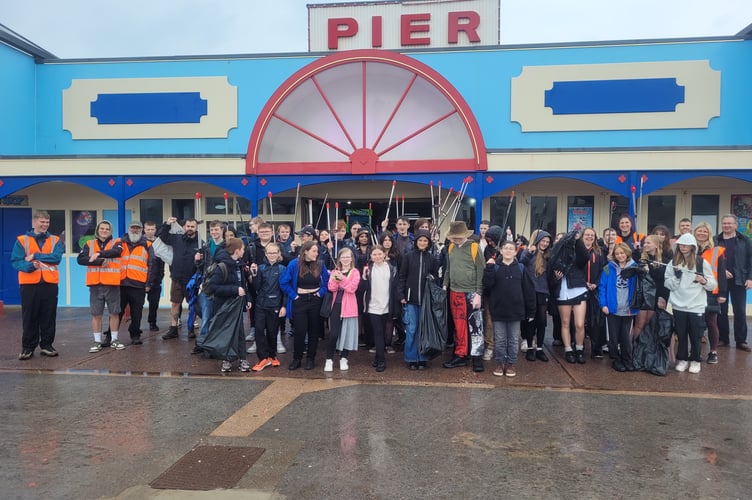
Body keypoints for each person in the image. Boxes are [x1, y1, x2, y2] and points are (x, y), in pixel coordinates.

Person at [12, 210, 65, 360]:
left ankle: (47, 345)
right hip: (29, 284)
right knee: (30, 316)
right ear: (34, 222)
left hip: (49, 283)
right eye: (42, 222)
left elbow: (56, 258)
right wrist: (30, 266)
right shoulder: (22, 240)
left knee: (48, 316)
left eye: (47, 222)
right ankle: (28, 347)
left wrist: (35, 256)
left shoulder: (55, 240)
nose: (45, 225)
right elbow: (16, 261)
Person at [665, 233, 716, 373]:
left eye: (686, 245)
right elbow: (667, 283)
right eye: (681, 244)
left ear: (693, 246)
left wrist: (703, 281)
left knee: (696, 334)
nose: (683, 247)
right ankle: (682, 359)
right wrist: (676, 278)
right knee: (681, 334)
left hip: (696, 305)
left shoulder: (701, 262)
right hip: (678, 304)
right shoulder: (673, 263)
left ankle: (695, 359)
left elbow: (712, 284)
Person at [483, 240, 536, 377]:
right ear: (501, 251)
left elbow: (528, 291)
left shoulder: (521, 268)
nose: (508, 251)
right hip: (498, 310)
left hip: (516, 310)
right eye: (505, 248)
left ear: (515, 251)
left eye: (511, 248)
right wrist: (488, 269)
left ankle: (511, 363)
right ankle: (500, 362)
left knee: (513, 340)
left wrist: (531, 310)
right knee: (499, 339)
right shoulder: (495, 267)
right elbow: (487, 286)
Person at [443, 221, 486, 372]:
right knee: (459, 326)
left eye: (459, 237)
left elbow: (481, 270)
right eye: (454, 238)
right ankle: (461, 354)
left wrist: (479, 293)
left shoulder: (474, 247)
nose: (456, 240)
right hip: (455, 291)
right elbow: (448, 269)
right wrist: (444, 285)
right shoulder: (450, 248)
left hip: (471, 292)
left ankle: (477, 358)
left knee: (475, 326)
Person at [280, 240, 330, 370]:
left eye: (317, 251)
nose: (316, 253)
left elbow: (327, 282)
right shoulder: (294, 264)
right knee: (300, 331)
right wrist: (294, 296)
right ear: (305, 251)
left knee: (314, 331)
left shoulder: (320, 264)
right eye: (314, 251)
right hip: (299, 301)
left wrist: (320, 293)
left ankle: (310, 359)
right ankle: (297, 359)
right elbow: (284, 282)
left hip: (315, 301)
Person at [206, 237, 252, 373]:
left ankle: (243, 359)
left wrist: (247, 298)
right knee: (227, 333)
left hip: (237, 305)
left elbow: (243, 285)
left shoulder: (240, 265)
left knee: (240, 333)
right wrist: (234, 290)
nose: (244, 251)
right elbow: (213, 287)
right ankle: (226, 360)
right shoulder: (222, 267)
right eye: (243, 249)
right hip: (224, 306)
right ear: (237, 251)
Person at [77, 220, 124, 352]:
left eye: (107, 229)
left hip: (112, 284)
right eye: (102, 228)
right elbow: (80, 259)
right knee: (96, 314)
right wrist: (98, 261)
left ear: (110, 231)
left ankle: (114, 339)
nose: (104, 231)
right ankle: (97, 341)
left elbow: (117, 252)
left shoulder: (117, 242)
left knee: (114, 313)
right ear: (97, 230)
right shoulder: (89, 244)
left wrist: (99, 254)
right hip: (95, 285)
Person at [398, 229, 439, 370]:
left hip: (426, 300)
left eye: (425, 241)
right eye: (420, 240)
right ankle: (411, 357)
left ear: (428, 243)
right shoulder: (408, 257)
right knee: (411, 329)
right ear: (416, 242)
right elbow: (402, 276)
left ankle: (422, 357)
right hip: (410, 299)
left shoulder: (432, 259)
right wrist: (401, 295)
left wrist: (432, 279)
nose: (422, 243)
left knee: (423, 330)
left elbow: (436, 278)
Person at [549, 230, 590, 363]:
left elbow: (585, 257)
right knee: (565, 322)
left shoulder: (575, 254)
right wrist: (556, 278)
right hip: (562, 291)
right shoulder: (553, 256)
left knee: (579, 323)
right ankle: (568, 350)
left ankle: (579, 348)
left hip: (578, 288)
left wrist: (577, 240)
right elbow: (550, 278)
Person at [159, 217, 202, 340]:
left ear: (196, 228)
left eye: (192, 226)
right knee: (175, 303)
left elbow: (204, 263)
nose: (190, 229)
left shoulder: (200, 243)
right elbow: (163, 236)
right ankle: (173, 328)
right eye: (188, 226)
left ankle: (190, 329)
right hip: (177, 278)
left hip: (191, 281)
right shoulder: (177, 239)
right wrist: (167, 224)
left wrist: (199, 262)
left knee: (192, 305)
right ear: (184, 227)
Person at [715, 214, 752, 351]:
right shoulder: (716, 240)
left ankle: (741, 341)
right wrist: (721, 271)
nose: (727, 226)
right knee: (721, 311)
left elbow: (750, 260)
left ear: (735, 225)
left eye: (730, 223)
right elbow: (711, 261)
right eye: (724, 223)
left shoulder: (745, 240)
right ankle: (723, 339)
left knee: (740, 312)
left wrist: (750, 278)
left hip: (739, 281)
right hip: (720, 281)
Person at [599, 243, 639, 372]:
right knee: (613, 336)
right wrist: (603, 304)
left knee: (626, 336)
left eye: (622, 253)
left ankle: (627, 359)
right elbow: (602, 287)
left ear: (627, 253)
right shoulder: (607, 268)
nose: (620, 256)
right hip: (612, 308)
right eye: (617, 254)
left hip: (628, 308)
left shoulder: (635, 267)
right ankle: (616, 359)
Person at [250, 243, 287, 371]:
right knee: (259, 331)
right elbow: (256, 287)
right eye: (269, 253)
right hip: (261, 304)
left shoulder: (282, 269)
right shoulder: (261, 268)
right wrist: (254, 275)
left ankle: (272, 355)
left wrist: (284, 306)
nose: (272, 255)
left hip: (275, 305)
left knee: (272, 331)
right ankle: (263, 358)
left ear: (278, 254)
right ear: (266, 254)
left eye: (274, 253)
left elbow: (285, 290)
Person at [361, 245, 398, 372]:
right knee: (378, 333)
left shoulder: (391, 268)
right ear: (371, 257)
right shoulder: (368, 269)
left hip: (387, 305)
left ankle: (378, 357)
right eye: (374, 254)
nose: (377, 257)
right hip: (373, 306)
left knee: (383, 333)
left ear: (384, 255)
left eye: (379, 254)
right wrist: (364, 278)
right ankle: (382, 360)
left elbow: (394, 287)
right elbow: (363, 287)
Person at [323, 247, 361, 372]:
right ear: (339, 259)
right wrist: (335, 279)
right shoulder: (335, 271)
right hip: (336, 305)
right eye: (343, 257)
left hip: (349, 307)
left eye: (347, 256)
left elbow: (352, 288)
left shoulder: (355, 272)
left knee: (347, 334)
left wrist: (342, 279)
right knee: (334, 334)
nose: (345, 259)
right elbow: (331, 287)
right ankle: (329, 359)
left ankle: (344, 358)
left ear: (351, 258)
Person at [695, 222, 727, 364]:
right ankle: (695, 352)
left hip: (711, 291)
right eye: (699, 231)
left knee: (711, 322)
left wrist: (722, 293)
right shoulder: (689, 248)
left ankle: (713, 352)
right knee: (695, 323)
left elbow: (721, 273)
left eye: (705, 231)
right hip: (693, 291)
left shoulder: (717, 251)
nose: (701, 233)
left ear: (709, 234)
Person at [519, 229, 553, 361]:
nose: (545, 244)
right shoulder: (529, 253)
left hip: (543, 292)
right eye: (543, 241)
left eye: (547, 242)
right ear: (538, 241)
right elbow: (521, 262)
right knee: (530, 319)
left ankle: (539, 348)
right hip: (530, 291)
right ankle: (529, 348)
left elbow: (550, 276)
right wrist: (529, 251)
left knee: (542, 321)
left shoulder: (548, 257)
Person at [117, 221, 152, 345]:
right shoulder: (120, 243)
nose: (135, 230)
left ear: (142, 230)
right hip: (121, 284)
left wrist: (148, 284)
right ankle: (111, 336)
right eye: (133, 228)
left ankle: (135, 334)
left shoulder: (148, 245)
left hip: (138, 285)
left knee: (136, 312)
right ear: (129, 229)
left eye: (138, 228)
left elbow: (151, 265)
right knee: (117, 312)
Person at [581, 227, 607, 359]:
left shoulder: (599, 252)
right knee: (579, 320)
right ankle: (578, 345)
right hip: (580, 288)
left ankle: (596, 348)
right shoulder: (577, 251)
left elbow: (603, 270)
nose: (589, 237)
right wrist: (584, 282)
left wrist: (595, 283)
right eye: (587, 235)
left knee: (596, 320)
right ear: (582, 236)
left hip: (595, 289)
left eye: (592, 235)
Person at [143, 221, 165, 332]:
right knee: (137, 304)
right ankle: (135, 324)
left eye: (152, 229)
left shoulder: (159, 242)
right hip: (141, 277)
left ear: (155, 230)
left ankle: (152, 322)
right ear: (144, 229)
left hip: (156, 279)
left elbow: (162, 260)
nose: (150, 232)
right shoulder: (140, 242)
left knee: (154, 303)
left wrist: (161, 276)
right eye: (148, 229)